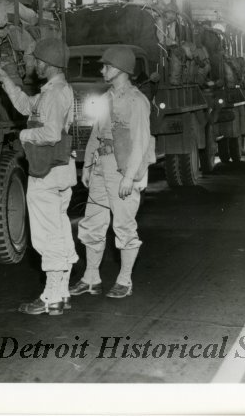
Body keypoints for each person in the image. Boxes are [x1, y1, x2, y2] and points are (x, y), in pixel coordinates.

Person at [0, 38, 76, 316]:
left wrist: (24, 135)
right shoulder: (58, 89)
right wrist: (6, 82)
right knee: (61, 231)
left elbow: (50, 134)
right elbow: (28, 107)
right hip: (61, 170)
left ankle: (50, 297)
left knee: (46, 236)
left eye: (39, 61)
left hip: (46, 172)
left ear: (49, 64)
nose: (35, 65)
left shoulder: (53, 94)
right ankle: (61, 292)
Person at [71, 45, 154, 300]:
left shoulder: (136, 101)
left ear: (118, 69)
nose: (102, 69)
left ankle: (124, 280)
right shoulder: (107, 97)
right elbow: (97, 133)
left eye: (106, 65)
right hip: (100, 168)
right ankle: (91, 277)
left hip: (122, 170)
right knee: (93, 223)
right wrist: (87, 165)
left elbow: (140, 140)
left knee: (123, 225)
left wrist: (130, 177)